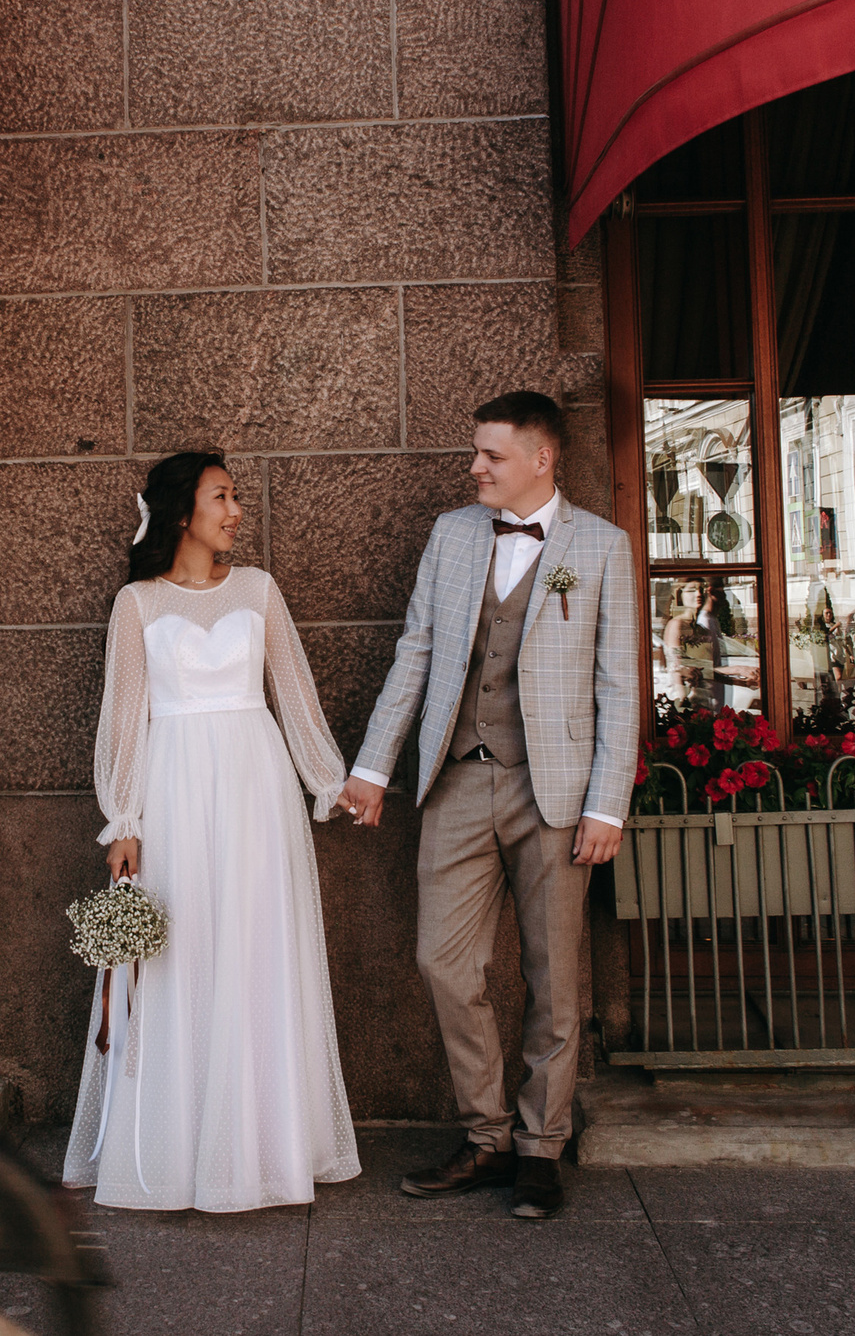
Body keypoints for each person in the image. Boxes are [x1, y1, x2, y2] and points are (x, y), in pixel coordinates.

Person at [341, 391, 639, 1220]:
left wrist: (606, 806)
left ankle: (542, 1147)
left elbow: (618, 686)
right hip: (458, 781)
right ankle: (487, 1135)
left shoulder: (603, 547)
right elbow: (416, 652)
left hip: (558, 791)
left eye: (491, 455)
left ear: (543, 459)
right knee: (444, 962)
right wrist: (372, 766)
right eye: (477, 452)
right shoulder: (453, 534)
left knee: (555, 980)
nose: (475, 467)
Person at [65, 452, 361, 1211]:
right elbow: (123, 716)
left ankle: (263, 1148)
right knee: (180, 954)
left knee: (257, 949)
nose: (235, 510)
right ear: (181, 512)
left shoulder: (260, 591)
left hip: (255, 791)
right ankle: (172, 1147)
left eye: (234, 496)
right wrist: (122, 819)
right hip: (172, 791)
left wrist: (331, 782)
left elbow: (294, 694)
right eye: (221, 496)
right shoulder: (136, 604)